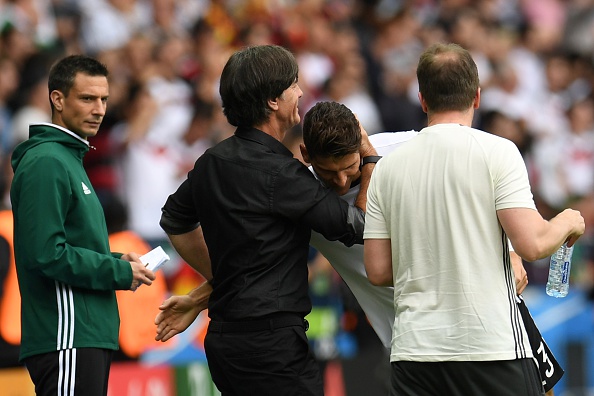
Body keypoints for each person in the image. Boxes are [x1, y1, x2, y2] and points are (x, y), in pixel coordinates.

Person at [156, 100, 564, 395]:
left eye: (349, 167)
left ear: (363, 147)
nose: (338, 181)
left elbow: (481, 172)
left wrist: (509, 246)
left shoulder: (405, 149)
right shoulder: (306, 198)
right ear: (305, 157)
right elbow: (260, 261)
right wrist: (198, 298)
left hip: (488, 316)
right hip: (413, 340)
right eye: (327, 172)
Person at [363, 42, 585, 395]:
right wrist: (569, 221)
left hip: (415, 353)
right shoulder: (498, 152)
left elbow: (377, 270)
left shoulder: (386, 170)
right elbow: (533, 243)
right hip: (489, 347)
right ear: (477, 97)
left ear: (422, 100)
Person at [158, 45, 377, 396]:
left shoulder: (211, 162)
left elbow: (175, 222)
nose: (301, 92)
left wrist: (218, 282)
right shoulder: (284, 175)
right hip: (272, 349)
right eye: (293, 84)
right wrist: (369, 161)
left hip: (223, 343)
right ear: (274, 101)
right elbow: (363, 226)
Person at [10, 54, 156, 396]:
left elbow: (72, 246)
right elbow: (47, 254)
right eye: (87, 98)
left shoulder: (67, 159)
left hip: (82, 332)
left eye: (104, 99)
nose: (99, 109)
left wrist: (118, 262)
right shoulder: (47, 161)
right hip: (67, 334)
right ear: (57, 99)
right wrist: (116, 272)